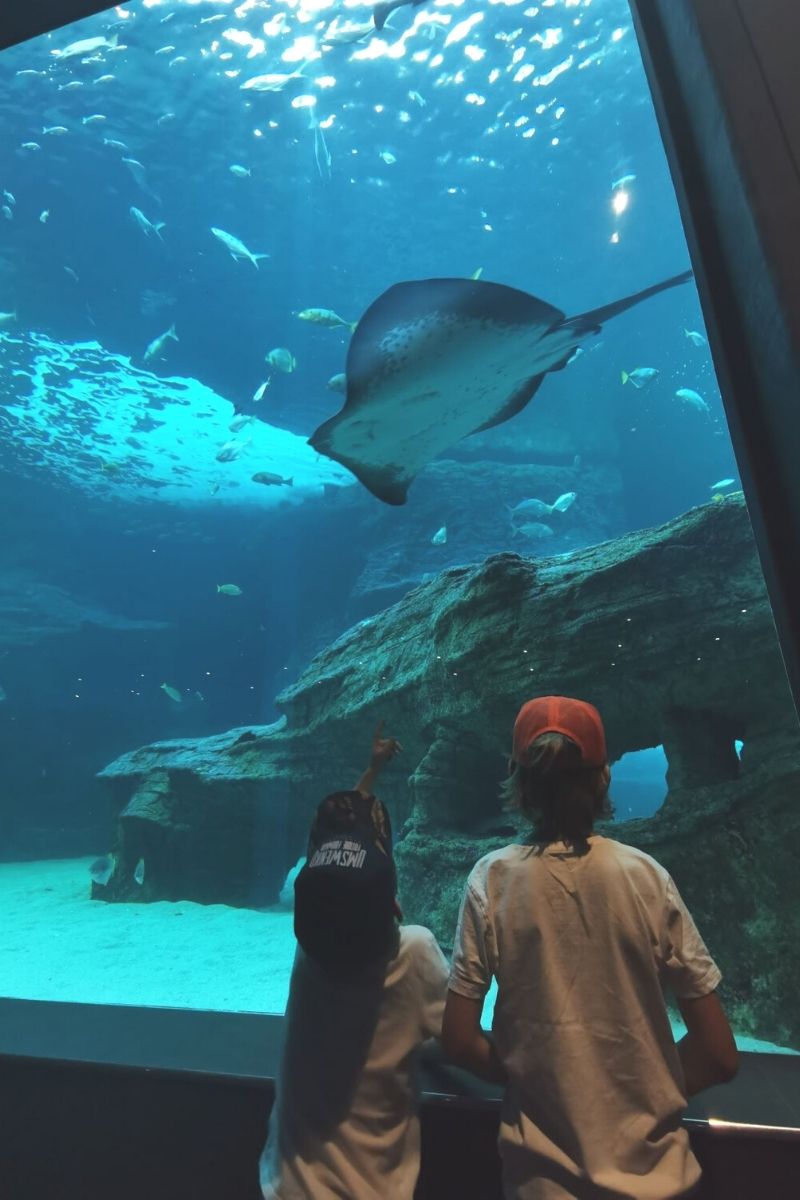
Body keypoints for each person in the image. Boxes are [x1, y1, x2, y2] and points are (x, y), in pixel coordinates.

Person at [441, 695, 738, 1200]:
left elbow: (458, 1040)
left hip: (538, 1184)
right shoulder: (646, 877)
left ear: (518, 779)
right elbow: (719, 1054)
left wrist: (539, 1083)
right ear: (604, 777)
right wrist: (640, 1093)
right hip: (659, 1179)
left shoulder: (491, 881)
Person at [259, 722, 450, 1200]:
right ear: (395, 905)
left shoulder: (311, 951)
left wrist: (372, 772)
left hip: (285, 1184)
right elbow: (459, 1041)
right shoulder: (415, 952)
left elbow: (336, 853)